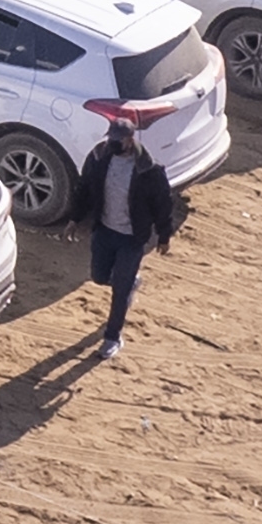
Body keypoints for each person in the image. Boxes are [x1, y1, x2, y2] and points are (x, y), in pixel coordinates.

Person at [78, 105, 182, 355]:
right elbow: (85, 187)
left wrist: (164, 235)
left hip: (132, 239)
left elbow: (162, 203)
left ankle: (112, 338)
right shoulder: (99, 156)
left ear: (129, 140)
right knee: (99, 277)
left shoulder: (149, 170)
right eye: (110, 138)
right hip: (105, 232)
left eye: (117, 140)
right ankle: (129, 283)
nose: (112, 143)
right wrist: (75, 217)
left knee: (120, 289)